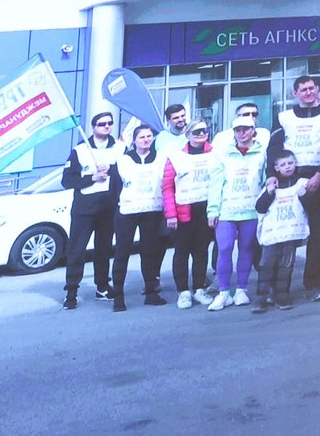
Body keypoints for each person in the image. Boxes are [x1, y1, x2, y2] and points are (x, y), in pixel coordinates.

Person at [270, 75, 320, 300]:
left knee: (319, 232)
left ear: (317, 90)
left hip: (318, 177)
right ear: (295, 93)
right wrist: (273, 176)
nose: (308, 92)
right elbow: (274, 149)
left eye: (311, 88)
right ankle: (278, 288)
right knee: (286, 233)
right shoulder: (284, 117)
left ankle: (315, 283)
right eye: (303, 89)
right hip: (290, 179)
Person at [60, 111, 123, 311]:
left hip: (108, 207)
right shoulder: (80, 150)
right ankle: (71, 292)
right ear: (94, 127)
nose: (107, 126)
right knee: (77, 250)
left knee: (104, 249)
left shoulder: (119, 148)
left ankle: (102, 287)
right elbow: (67, 180)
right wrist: (91, 178)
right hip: (84, 209)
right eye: (102, 124)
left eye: (110, 123)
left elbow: (127, 173)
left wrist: (111, 169)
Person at [205, 115, 268, 311]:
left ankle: (241, 289)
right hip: (227, 210)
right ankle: (224, 292)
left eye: (246, 129)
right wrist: (212, 210)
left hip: (251, 209)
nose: (242, 133)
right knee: (224, 248)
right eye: (238, 130)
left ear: (253, 130)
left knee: (246, 248)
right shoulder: (223, 153)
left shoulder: (262, 152)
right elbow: (216, 183)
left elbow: (266, 179)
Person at [114, 124, 170, 309]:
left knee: (149, 253)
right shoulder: (123, 160)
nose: (146, 140)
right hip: (127, 212)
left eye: (149, 136)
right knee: (122, 253)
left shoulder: (161, 157)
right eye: (142, 137)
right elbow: (116, 185)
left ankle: (151, 293)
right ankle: (118, 297)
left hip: (152, 210)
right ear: (134, 140)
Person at [163, 119, 217, 308]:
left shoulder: (216, 154)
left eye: (204, 130)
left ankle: (199, 288)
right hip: (183, 211)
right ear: (188, 135)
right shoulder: (176, 157)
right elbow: (167, 187)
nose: (201, 134)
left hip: (206, 210)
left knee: (201, 251)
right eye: (196, 132)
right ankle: (183, 292)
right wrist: (170, 214)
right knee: (182, 252)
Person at [252, 152, 313, 312]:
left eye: (290, 163)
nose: (287, 167)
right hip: (272, 234)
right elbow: (259, 207)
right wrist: (269, 193)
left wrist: (304, 196)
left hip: (290, 232)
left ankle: (282, 295)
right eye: (283, 164)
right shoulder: (271, 185)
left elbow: (310, 207)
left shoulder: (301, 184)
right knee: (267, 265)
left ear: (295, 163)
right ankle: (261, 297)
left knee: (286, 265)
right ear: (276, 168)